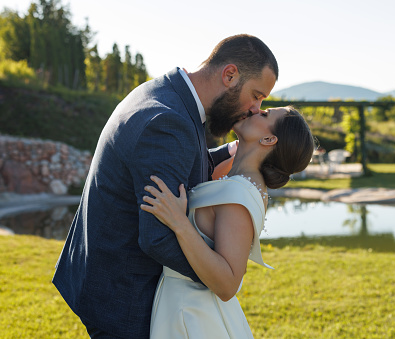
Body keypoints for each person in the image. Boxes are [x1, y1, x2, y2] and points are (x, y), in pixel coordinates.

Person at [52, 34, 279, 338]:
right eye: (256, 95)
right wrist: (220, 275)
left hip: (108, 277)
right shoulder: (168, 122)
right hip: (123, 295)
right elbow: (157, 237)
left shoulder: (171, 94)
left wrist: (231, 152)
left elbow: (178, 164)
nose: (254, 108)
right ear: (230, 75)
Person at [141, 107, 315, 338]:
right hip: (183, 302)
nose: (255, 109)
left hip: (193, 315)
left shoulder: (239, 192)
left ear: (268, 139)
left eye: (265, 114)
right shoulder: (238, 179)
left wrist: (179, 223)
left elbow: (228, 284)